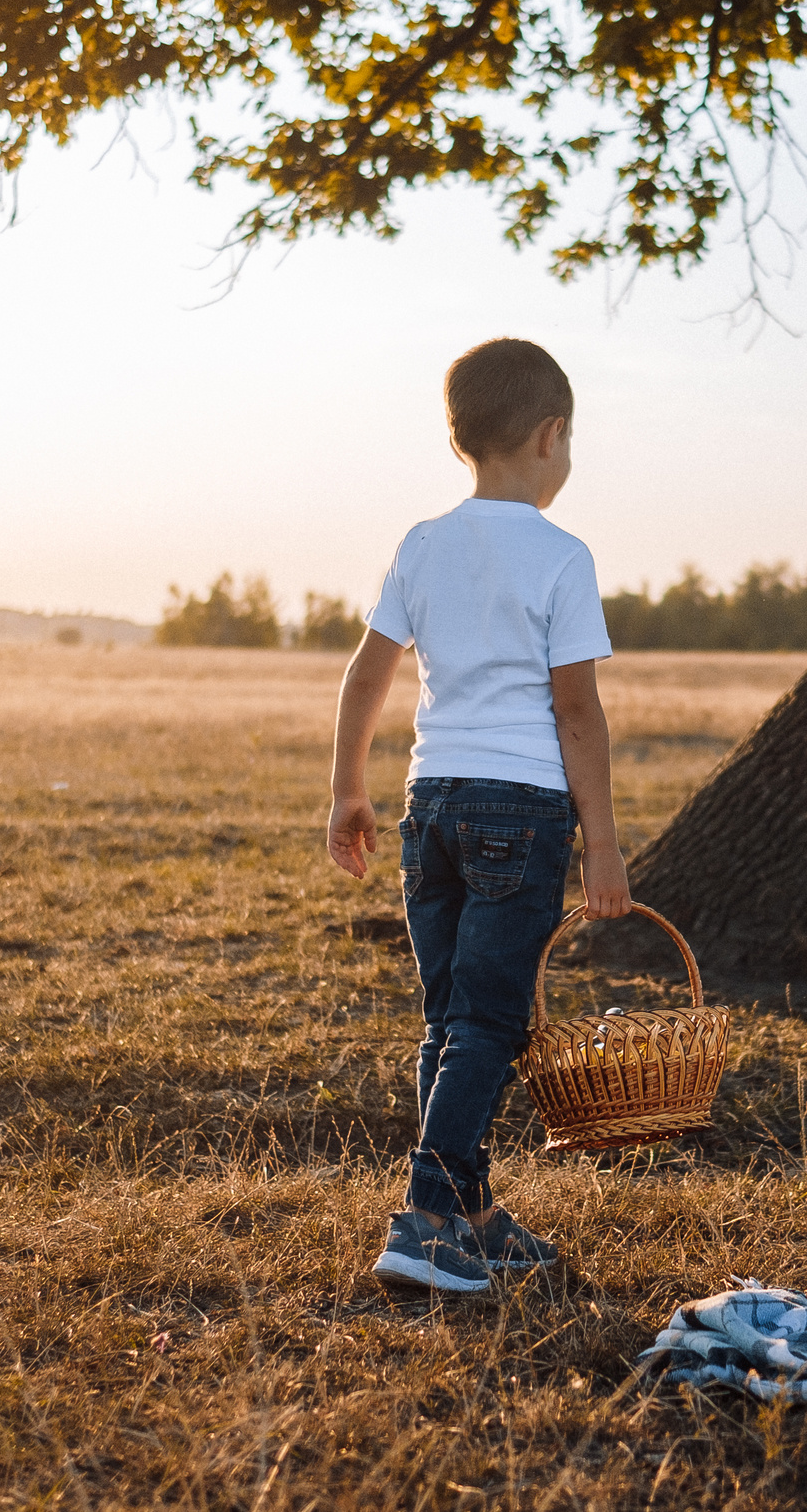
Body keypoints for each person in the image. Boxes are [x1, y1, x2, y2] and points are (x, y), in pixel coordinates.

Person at [325, 337, 629, 1295]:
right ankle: (424, 1216)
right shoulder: (563, 555)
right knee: (491, 1025)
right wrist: (606, 847)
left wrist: (348, 789)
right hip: (523, 810)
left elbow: (367, 673)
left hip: (431, 806)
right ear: (550, 436)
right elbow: (575, 711)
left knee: (449, 1022)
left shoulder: (423, 543)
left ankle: (470, 1213)